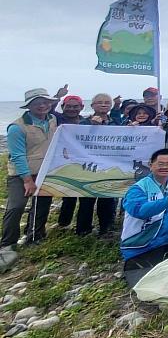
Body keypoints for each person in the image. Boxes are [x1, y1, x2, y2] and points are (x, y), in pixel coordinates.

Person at [0, 89, 59, 269]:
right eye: (37, 103)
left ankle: (35, 236)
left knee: (42, 204)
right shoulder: (17, 127)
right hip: (21, 175)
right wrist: (27, 180)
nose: (42, 105)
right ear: (29, 106)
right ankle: (7, 243)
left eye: (45, 102)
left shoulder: (52, 119)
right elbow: (17, 156)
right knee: (16, 206)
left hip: (44, 171)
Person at [120, 149, 168, 286]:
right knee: (150, 283)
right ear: (151, 165)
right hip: (142, 245)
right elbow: (139, 211)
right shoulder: (138, 188)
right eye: (160, 164)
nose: (165, 167)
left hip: (167, 240)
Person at [78, 93, 121, 237]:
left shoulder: (115, 122)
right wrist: (92, 127)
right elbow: (78, 141)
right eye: (100, 102)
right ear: (92, 105)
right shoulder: (84, 123)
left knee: (107, 198)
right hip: (89, 167)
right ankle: (83, 230)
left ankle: (105, 229)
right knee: (86, 199)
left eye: (107, 103)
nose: (103, 105)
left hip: (109, 166)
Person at [53, 95, 86, 229]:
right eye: (68, 106)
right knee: (68, 195)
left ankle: (83, 227)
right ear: (62, 107)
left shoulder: (86, 121)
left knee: (85, 196)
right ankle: (63, 223)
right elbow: (48, 110)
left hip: (84, 162)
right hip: (64, 162)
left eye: (75, 106)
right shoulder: (57, 119)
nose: (72, 109)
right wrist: (57, 97)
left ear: (82, 107)